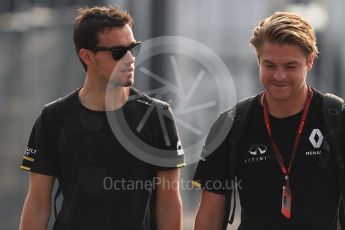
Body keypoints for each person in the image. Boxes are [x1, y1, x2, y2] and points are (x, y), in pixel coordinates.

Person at [19, 6, 184, 230]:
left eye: (133, 48)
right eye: (118, 51)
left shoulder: (157, 116)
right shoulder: (53, 118)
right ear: (87, 56)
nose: (130, 59)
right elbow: (38, 203)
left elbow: (169, 204)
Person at [193, 12, 345, 230]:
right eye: (270, 65)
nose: (279, 76)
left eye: (291, 66)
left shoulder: (337, 117)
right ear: (258, 61)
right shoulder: (231, 123)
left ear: (310, 61)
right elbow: (209, 217)